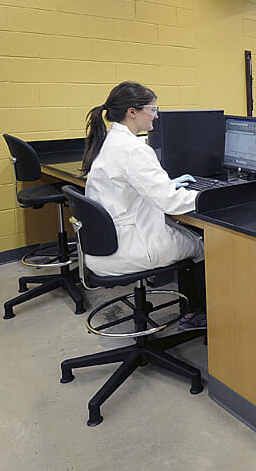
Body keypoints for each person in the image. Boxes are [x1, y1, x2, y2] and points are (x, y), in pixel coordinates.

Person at [82, 81, 206, 330]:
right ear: (132, 112)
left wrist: (166, 183)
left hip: (107, 245)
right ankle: (198, 315)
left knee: (185, 234)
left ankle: (192, 311)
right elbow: (170, 201)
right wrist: (213, 196)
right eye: (152, 109)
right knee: (205, 244)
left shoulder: (112, 142)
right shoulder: (133, 149)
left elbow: (133, 185)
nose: (156, 115)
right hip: (131, 246)